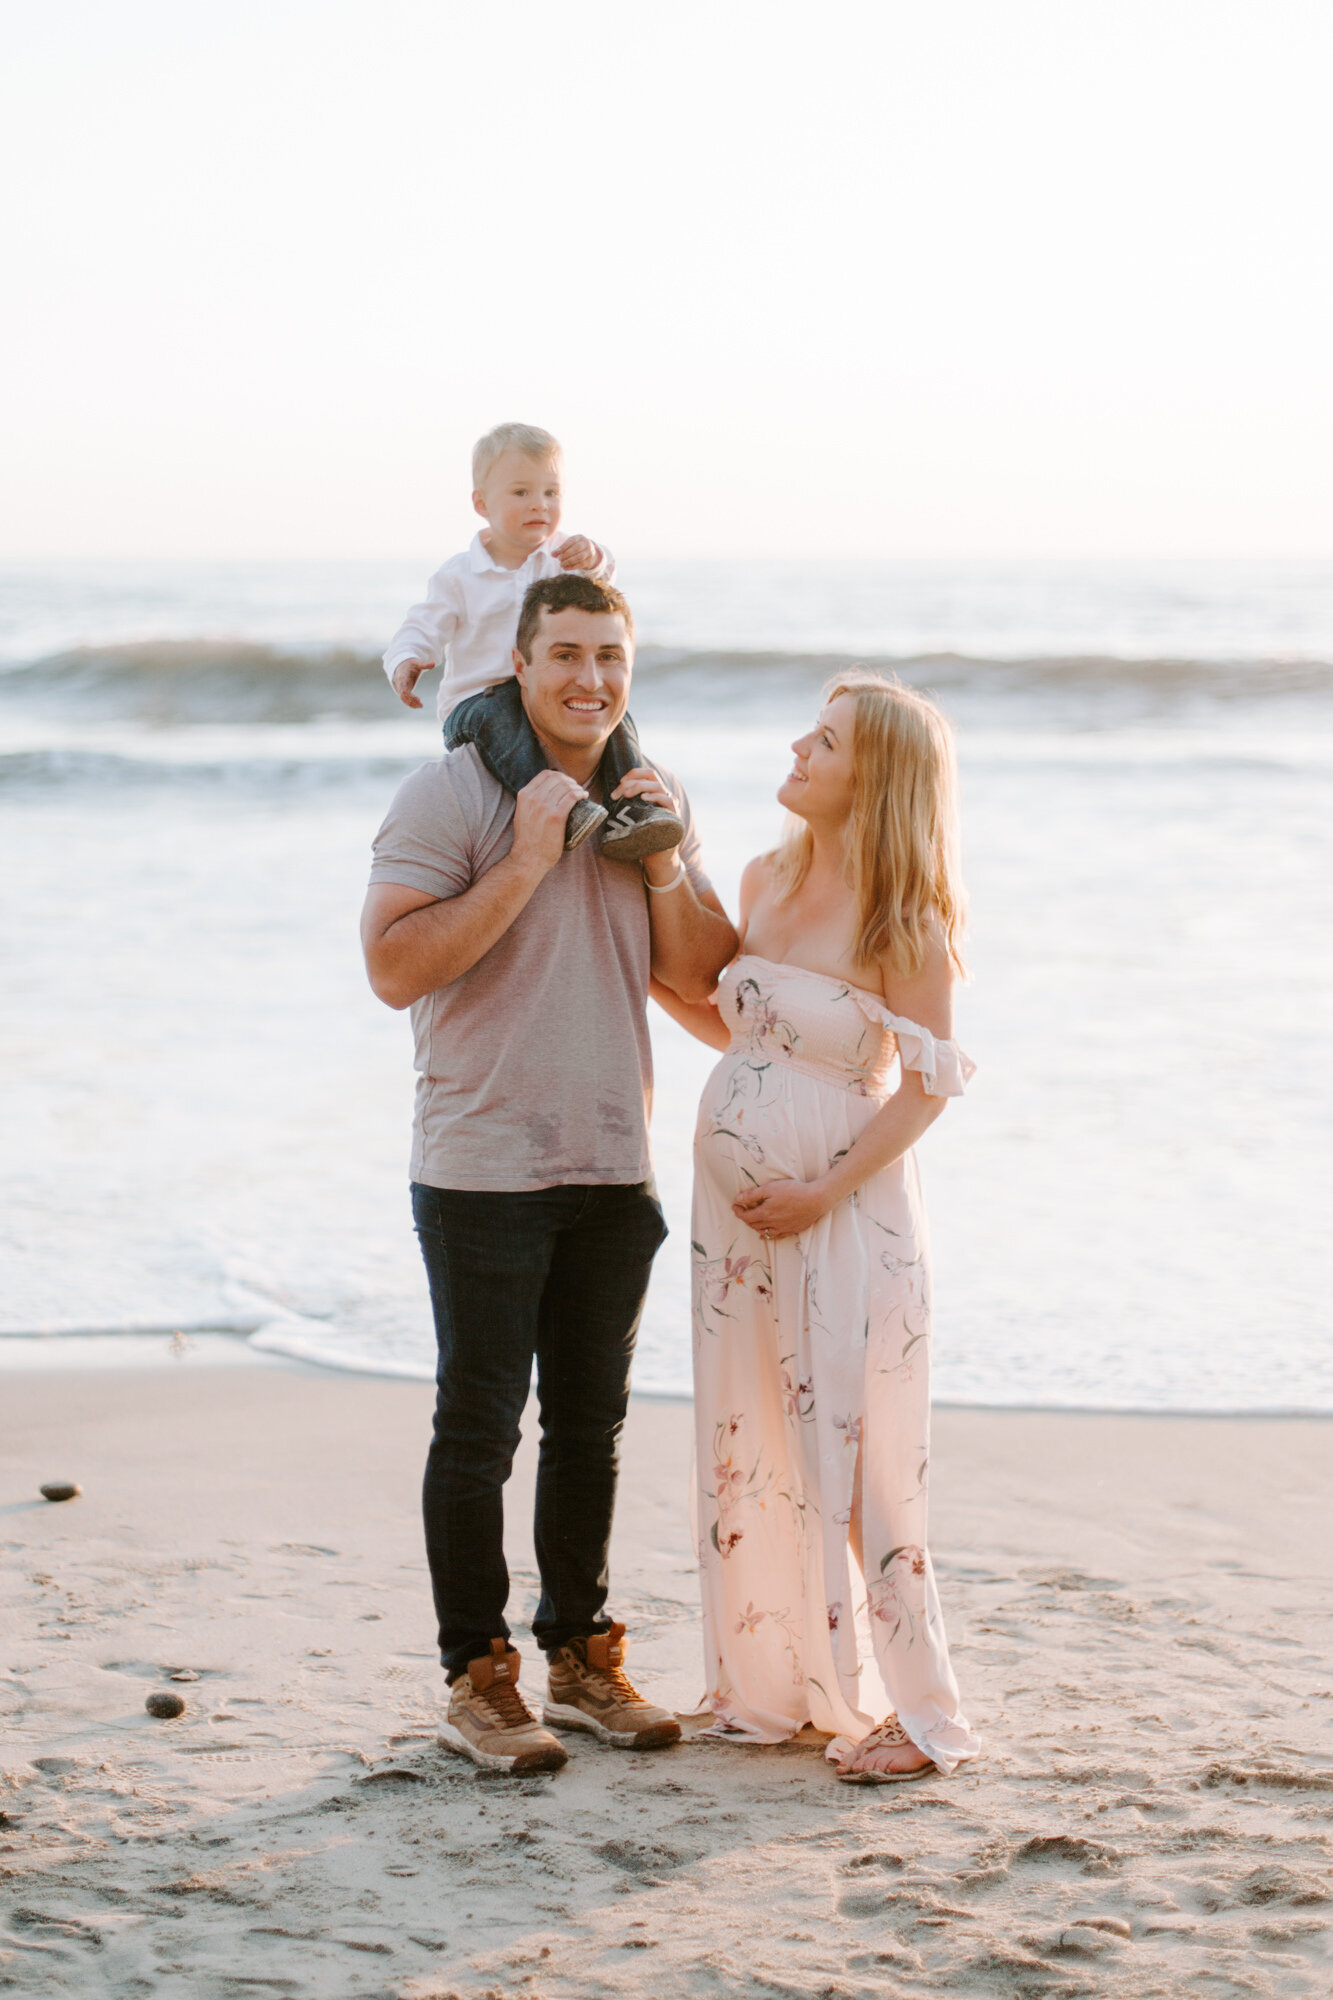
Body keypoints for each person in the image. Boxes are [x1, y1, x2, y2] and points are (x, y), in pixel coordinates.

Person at [361, 572, 737, 1777]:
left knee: (592, 1429)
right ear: (518, 664)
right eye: (565, 652)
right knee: (477, 1429)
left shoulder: (646, 799)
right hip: (480, 1166)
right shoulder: (452, 790)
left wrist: (666, 857)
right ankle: (477, 1677)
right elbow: (393, 966)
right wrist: (526, 856)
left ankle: (579, 1656)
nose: (590, 677)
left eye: (611, 655)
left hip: (611, 1163)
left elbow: (705, 993)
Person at [656, 673, 981, 1782]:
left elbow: (926, 1087)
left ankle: (926, 1713)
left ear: (874, 776)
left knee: (858, 1458)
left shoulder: (907, 918)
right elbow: (732, 1024)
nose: (798, 746)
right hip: (740, 1226)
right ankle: (774, 1683)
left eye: (826, 740)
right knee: (756, 1435)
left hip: (844, 1215)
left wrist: (820, 1189)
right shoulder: (765, 874)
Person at [381, 420, 683, 861]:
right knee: (501, 720)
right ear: (481, 503)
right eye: (521, 492)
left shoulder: (562, 556)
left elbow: (601, 594)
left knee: (617, 721)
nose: (539, 504)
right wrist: (408, 659)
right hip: (477, 702)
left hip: (541, 692)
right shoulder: (460, 575)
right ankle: (564, 810)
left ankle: (632, 806)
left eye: (551, 492)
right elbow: (422, 624)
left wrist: (595, 558)